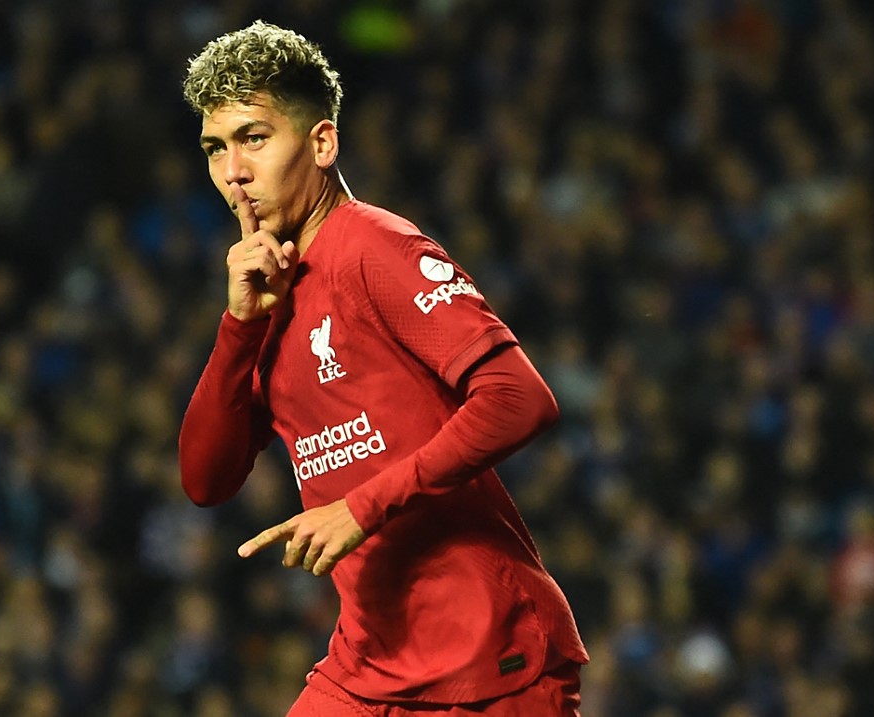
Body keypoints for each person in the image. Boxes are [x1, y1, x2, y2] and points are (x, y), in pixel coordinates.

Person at [177, 20, 588, 717]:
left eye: (254, 137)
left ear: (322, 142)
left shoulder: (374, 246)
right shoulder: (269, 290)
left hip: (491, 662)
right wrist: (239, 326)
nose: (234, 171)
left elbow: (520, 396)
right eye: (216, 148)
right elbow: (206, 479)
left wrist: (361, 507)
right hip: (370, 664)